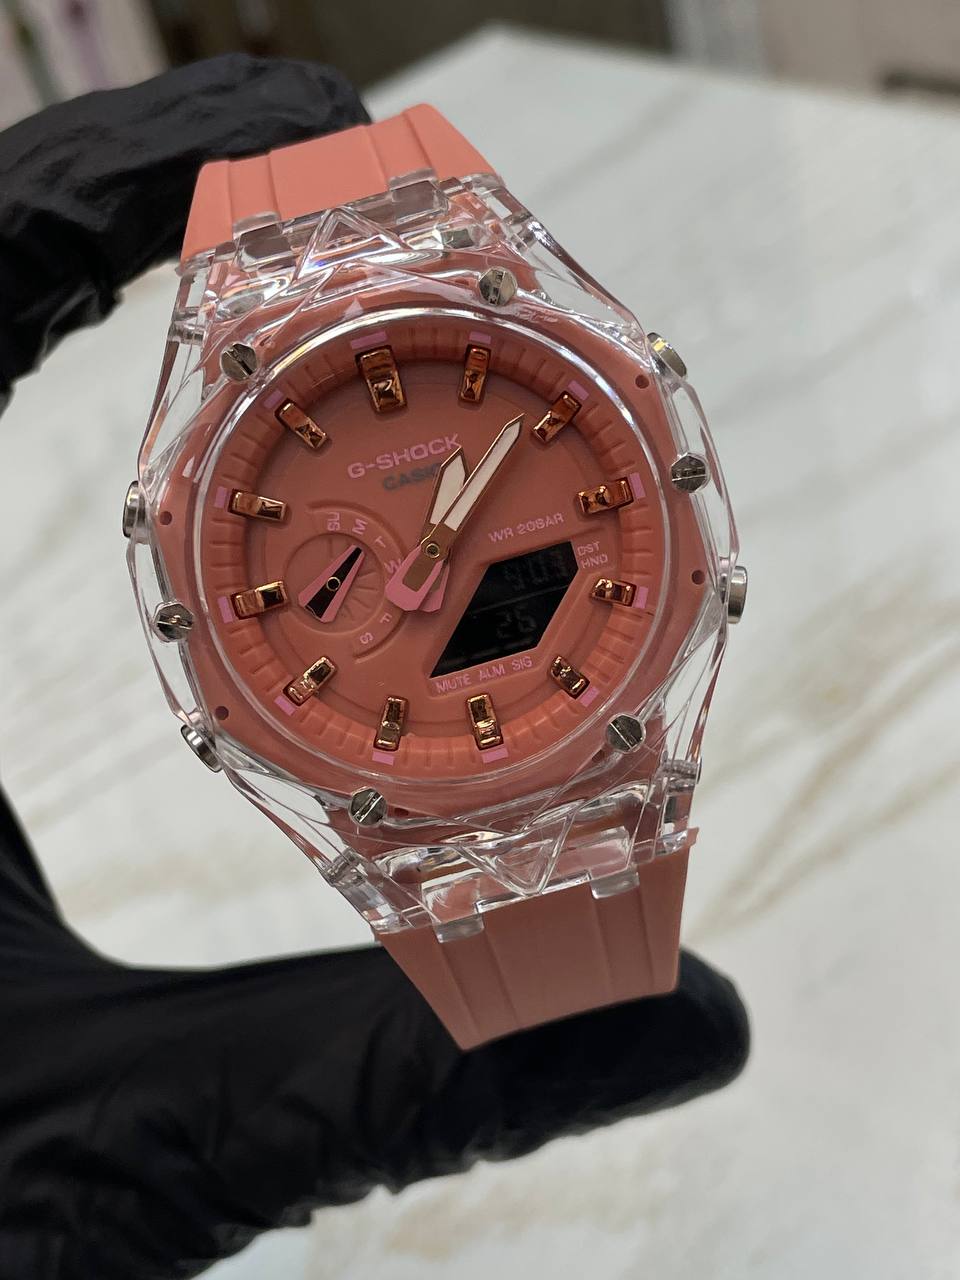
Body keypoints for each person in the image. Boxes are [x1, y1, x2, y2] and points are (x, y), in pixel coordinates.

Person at [0, 54, 749, 1280]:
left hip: (571, 730)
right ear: (166, 542)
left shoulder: (618, 489)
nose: (421, 577)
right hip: (416, 767)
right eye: (379, 570)